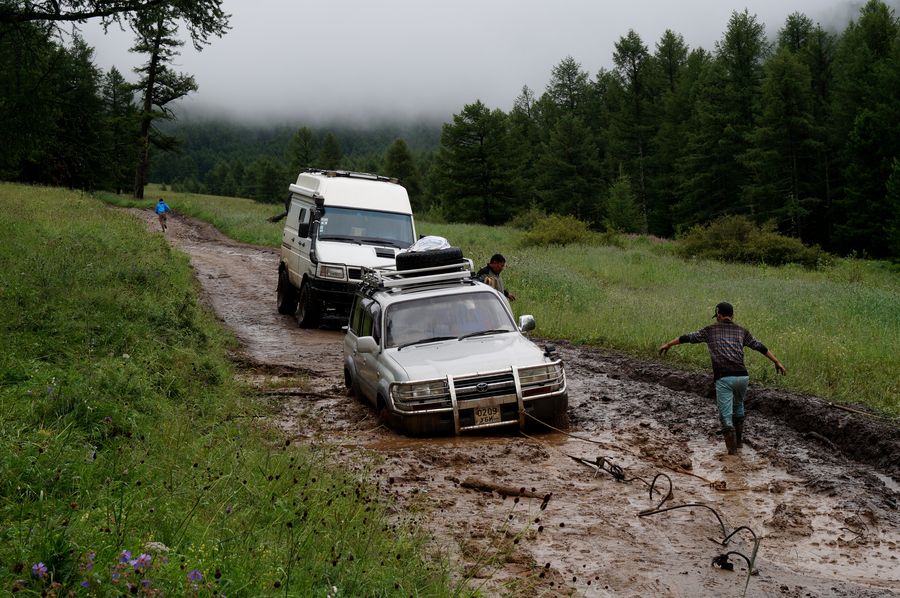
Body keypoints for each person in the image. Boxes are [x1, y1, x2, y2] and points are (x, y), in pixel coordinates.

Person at [657, 302, 786, 455]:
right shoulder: (742, 331)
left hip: (724, 377)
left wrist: (668, 344)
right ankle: (739, 444)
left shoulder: (710, 330)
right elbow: (760, 347)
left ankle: (733, 456)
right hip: (742, 377)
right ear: (733, 316)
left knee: (726, 417)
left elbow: (687, 338)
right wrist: (776, 361)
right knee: (738, 407)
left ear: (718, 315)